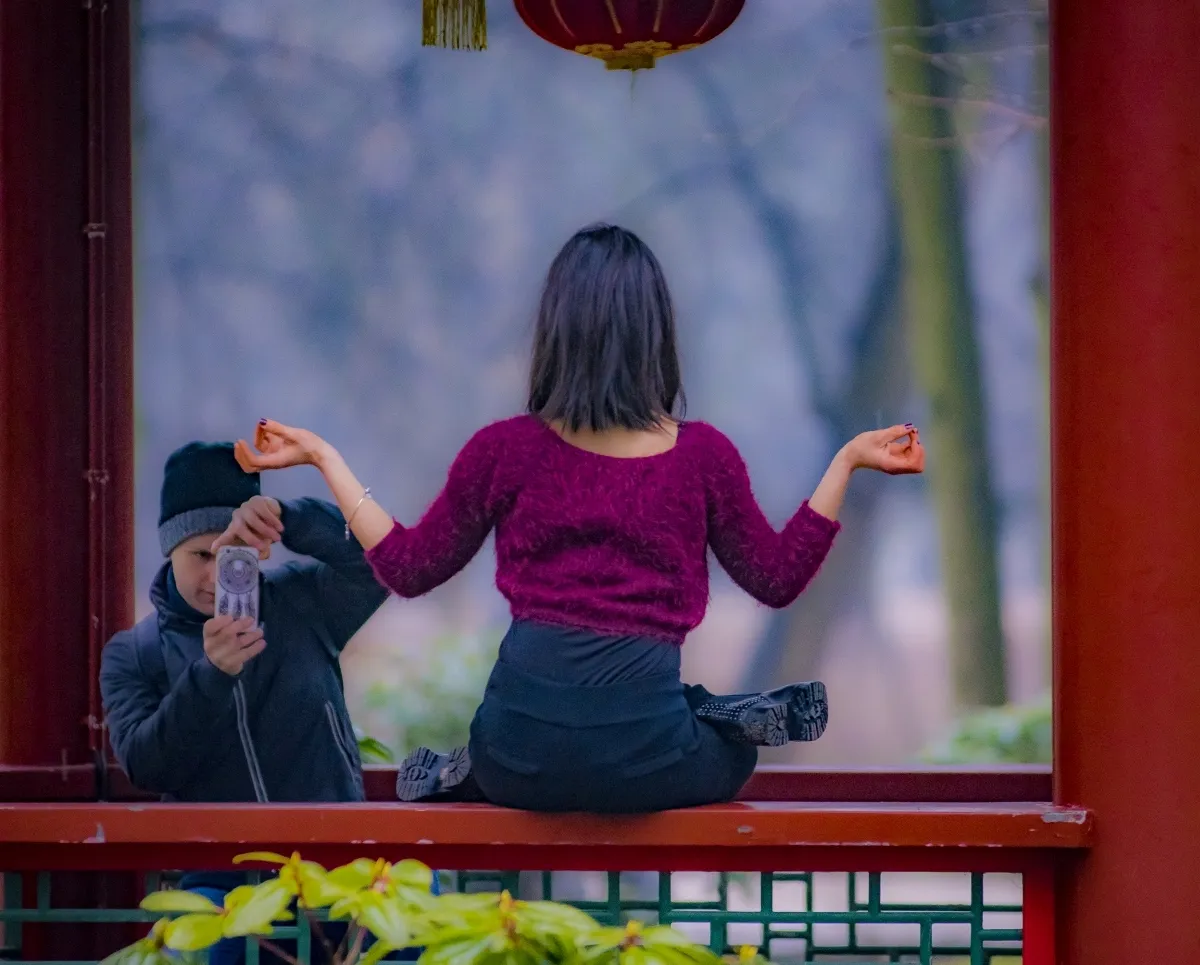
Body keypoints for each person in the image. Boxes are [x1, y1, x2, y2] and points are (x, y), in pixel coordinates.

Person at [233, 223, 925, 813]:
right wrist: (847, 462)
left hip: (515, 751)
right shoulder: (703, 457)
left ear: (556, 332)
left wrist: (325, 457)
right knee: (731, 752)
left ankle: (475, 764)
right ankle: (707, 713)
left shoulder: (505, 450)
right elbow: (776, 578)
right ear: (656, 333)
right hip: (646, 754)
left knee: (525, 744)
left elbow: (410, 568)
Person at [99, 441, 393, 963]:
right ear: (169, 550)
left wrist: (291, 519)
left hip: (335, 869)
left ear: (256, 550)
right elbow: (146, 764)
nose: (216, 577)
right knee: (215, 949)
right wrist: (210, 675)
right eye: (199, 556)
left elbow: (385, 565)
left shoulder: (304, 602)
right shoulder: (134, 653)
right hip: (221, 882)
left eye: (231, 555)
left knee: (411, 926)